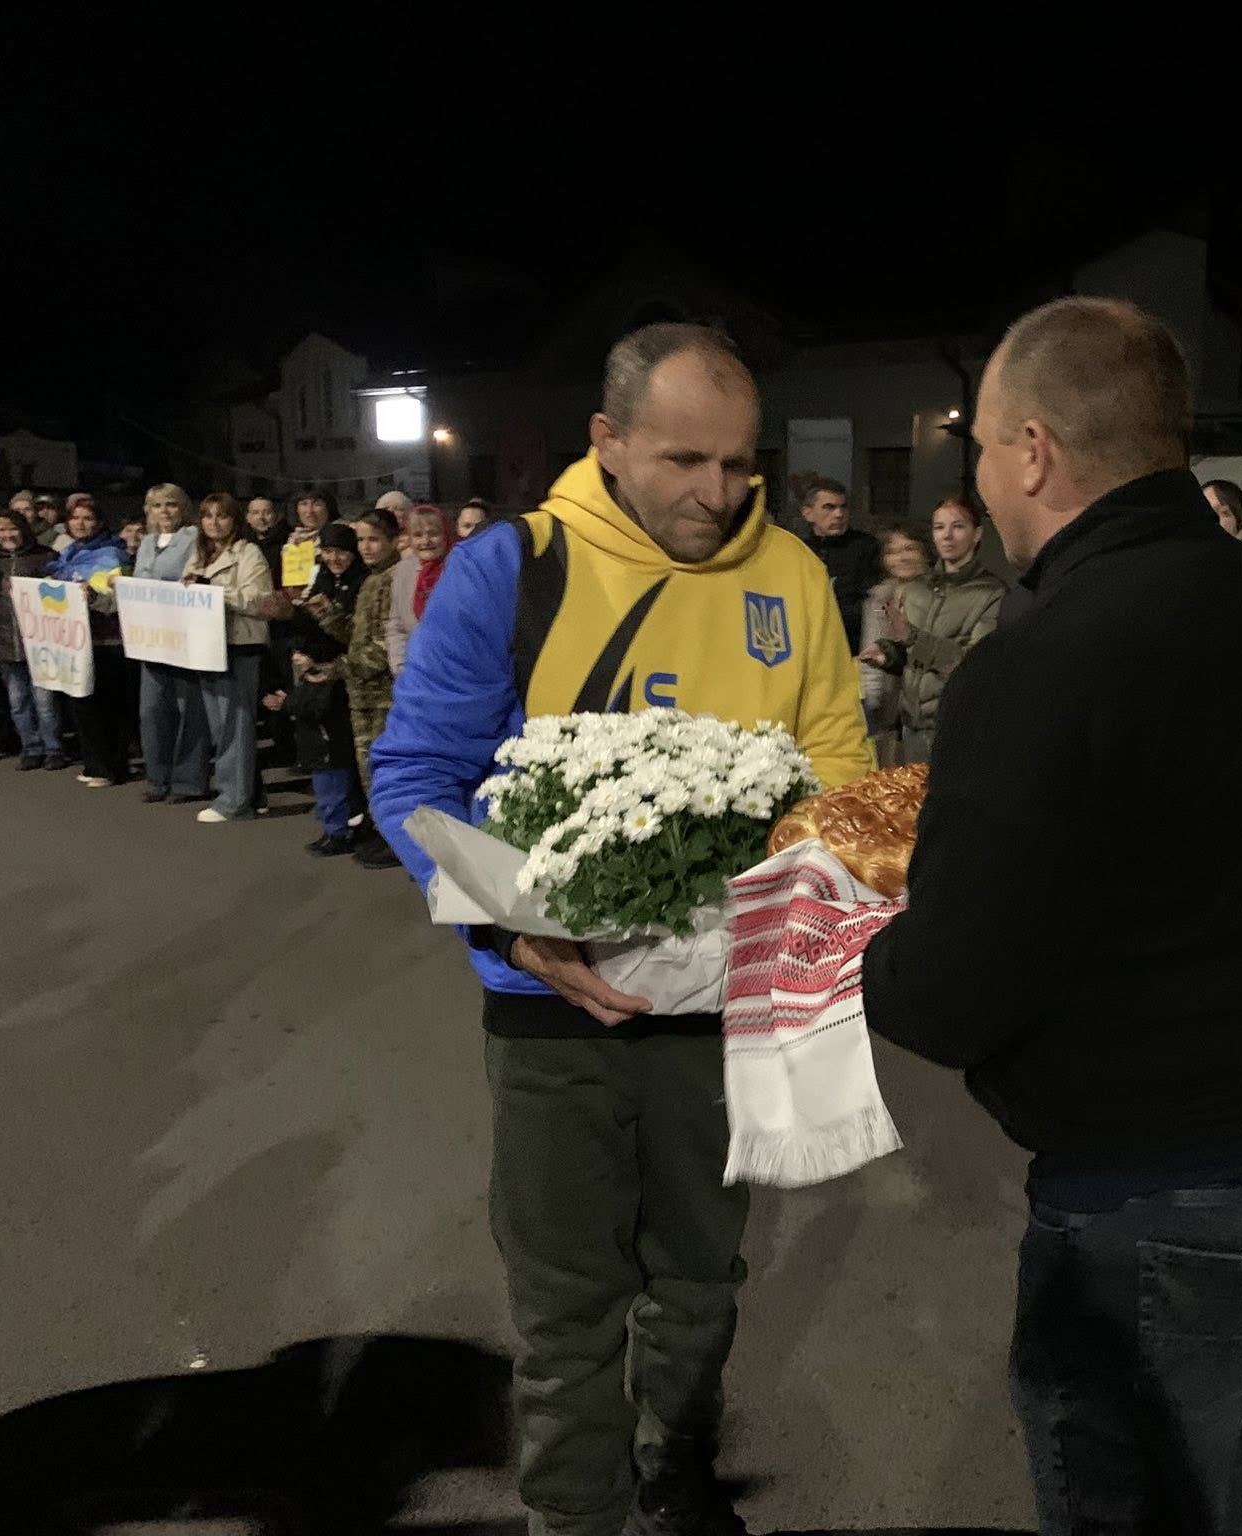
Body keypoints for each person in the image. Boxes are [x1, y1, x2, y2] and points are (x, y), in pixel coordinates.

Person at [863, 297, 1242, 1536]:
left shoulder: (1042, 656)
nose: (975, 479)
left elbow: (947, 997)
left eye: (979, 448)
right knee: (1222, 1498)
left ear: (1033, 451)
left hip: (1174, 1205)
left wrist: (861, 935)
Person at [371, 323, 872, 1536]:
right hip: (550, 1008)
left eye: (738, 463)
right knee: (566, 1308)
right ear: (606, 440)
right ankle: (573, 1517)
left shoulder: (793, 574)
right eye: (683, 460)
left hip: (728, 1009)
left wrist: (826, 919)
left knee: (700, 1281)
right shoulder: (514, 567)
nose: (716, 491)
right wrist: (514, 933)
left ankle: (676, 1482)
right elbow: (416, 777)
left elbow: (843, 775)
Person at [858, 497, 1008, 764]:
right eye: (939, 527)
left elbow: (975, 665)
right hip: (911, 728)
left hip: (958, 727)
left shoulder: (991, 593)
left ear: (977, 534)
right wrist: (889, 655)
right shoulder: (919, 588)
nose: (947, 536)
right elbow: (913, 656)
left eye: (958, 526)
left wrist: (913, 638)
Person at [183, 494, 274, 824]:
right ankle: (252, 793)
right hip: (207, 644)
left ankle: (233, 801)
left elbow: (259, 599)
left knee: (234, 724)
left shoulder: (248, 553)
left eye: (221, 516)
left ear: (235, 520)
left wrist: (213, 592)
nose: (214, 522)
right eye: (207, 516)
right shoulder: (198, 554)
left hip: (240, 644)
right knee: (222, 725)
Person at [130, 484, 212, 804]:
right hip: (150, 639)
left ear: (183, 508)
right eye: (157, 505)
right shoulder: (146, 543)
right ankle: (157, 778)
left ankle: (188, 781)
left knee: (189, 711)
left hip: (183, 637)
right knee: (152, 711)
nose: (164, 511)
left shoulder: (193, 538)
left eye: (171, 505)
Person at [48, 498, 133, 787]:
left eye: (87, 518)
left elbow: (116, 597)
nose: (80, 523)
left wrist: (92, 595)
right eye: (75, 518)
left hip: (107, 639)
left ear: (98, 522)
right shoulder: (67, 553)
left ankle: (112, 766)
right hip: (75, 640)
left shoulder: (112, 554)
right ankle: (94, 762)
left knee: (107, 704)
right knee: (81, 703)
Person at [339, 509, 404, 869]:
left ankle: (398, 840)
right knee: (369, 770)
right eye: (361, 540)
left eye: (374, 540)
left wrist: (341, 668)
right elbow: (357, 635)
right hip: (363, 694)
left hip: (384, 696)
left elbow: (384, 644)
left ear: (394, 541)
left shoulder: (395, 579)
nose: (365, 547)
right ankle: (383, 833)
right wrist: (324, 613)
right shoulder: (372, 579)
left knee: (385, 770)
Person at [267, 629, 361, 856]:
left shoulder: (326, 683)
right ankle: (334, 831)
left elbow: (315, 709)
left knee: (332, 796)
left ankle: (336, 835)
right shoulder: (312, 679)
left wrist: (287, 703)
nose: (295, 658)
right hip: (321, 751)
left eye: (301, 653)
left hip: (329, 752)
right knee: (329, 795)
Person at [857, 526, 930, 767]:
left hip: (928, 709)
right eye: (893, 551)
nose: (902, 557)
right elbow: (870, 651)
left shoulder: (940, 595)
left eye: (910, 548)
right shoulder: (878, 600)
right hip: (887, 710)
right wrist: (871, 701)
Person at [0, 507, 65, 770]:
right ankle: (30, 747)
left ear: (23, 530)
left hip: (40, 643)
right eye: (1, 530)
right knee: (18, 702)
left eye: (12, 528)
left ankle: (53, 748)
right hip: (5, 644)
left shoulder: (44, 556)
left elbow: (59, 594)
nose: (7, 534)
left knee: (45, 701)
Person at [796, 478, 884, 651]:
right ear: (808, 513)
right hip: (805, 644)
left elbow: (869, 602)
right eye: (829, 507)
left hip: (853, 646)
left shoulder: (867, 546)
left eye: (843, 507)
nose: (839, 514)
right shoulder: (798, 551)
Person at [386, 504, 453, 678]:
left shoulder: (459, 569)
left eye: (433, 534)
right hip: (414, 672)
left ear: (446, 534)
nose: (425, 541)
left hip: (455, 671)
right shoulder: (403, 571)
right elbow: (396, 626)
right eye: (417, 535)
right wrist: (401, 668)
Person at [245, 496, 289, 584]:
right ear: (247, 517)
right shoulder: (240, 544)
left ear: (276, 516)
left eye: (267, 513)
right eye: (256, 513)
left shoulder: (288, 542)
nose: (261, 517)